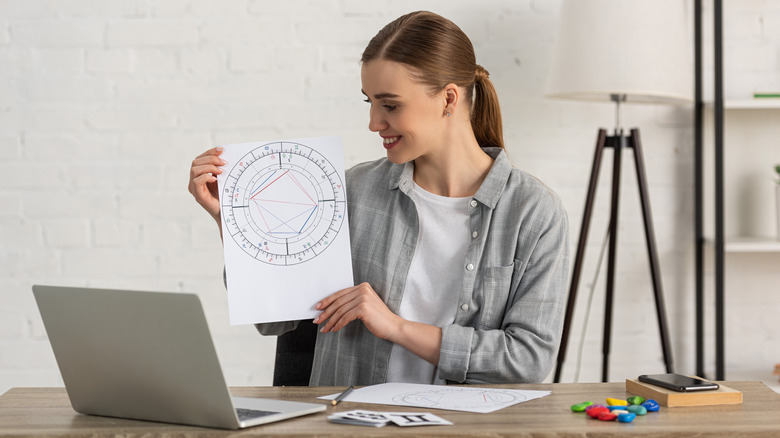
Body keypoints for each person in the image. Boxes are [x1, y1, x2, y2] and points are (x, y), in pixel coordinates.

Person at [188, 10, 569, 386]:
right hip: (349, 421)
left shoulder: (532, 212)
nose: (374, 122)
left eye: (390, 105)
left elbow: (528, 359)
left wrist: (395, 326)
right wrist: (233, 222)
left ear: (449, 99)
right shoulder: (348, 192)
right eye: (368, 102)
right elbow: (274, 320)